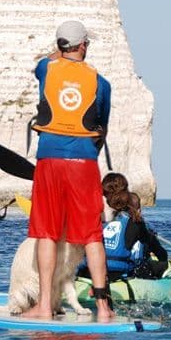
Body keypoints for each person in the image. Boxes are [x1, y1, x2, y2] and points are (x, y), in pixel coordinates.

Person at [22, 20, 113, 321]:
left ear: (61, 46)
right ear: (84, 45)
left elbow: (48, 60)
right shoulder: (100, 82)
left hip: (49, 159)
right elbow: (102, 130)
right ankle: (103, 309)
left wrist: (60, 49)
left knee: (47, 232)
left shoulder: (46, 70)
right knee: (91, 235)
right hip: (84, 162)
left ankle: (45, 306)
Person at [78, 172, 169, 282]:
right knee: (161, 265)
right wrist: (163, 258)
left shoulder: (90, 215)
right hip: (115, 274)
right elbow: (152, 244)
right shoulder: (134, 221)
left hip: (87, 272)